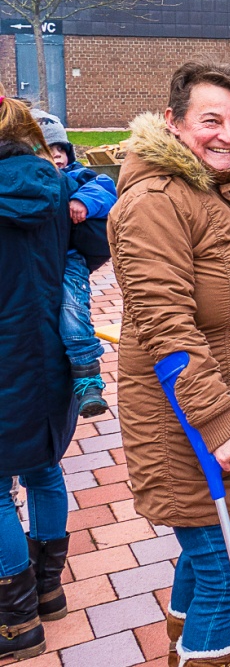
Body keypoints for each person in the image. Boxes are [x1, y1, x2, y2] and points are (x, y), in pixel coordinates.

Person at [108, 61, 230, 667]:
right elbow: (165, 324)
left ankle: (180, 646)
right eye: (211, 121)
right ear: (173, 123)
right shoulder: (152, 203)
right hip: (182, 417)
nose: (228, 134)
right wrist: (219, 424)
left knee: (207, 552)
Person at [0, 91, 78, 662]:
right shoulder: (59, 185)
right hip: (50, 353)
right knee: (45, 470)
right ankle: (48, 591)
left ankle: (16, 621)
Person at [33, 109, 118, 417]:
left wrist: (83, 201)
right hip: (39, 264)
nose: (56, 158)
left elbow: (105, 188)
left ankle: (88, 380)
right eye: (47, 151)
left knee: (72, 313)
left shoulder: (78, 176)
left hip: (69, 260)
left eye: (61, 151)